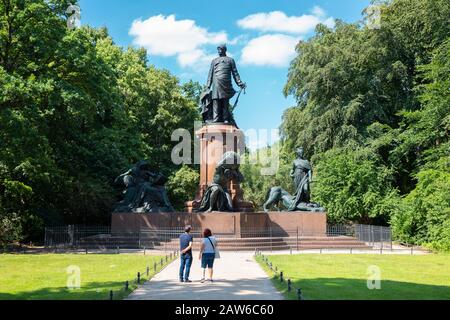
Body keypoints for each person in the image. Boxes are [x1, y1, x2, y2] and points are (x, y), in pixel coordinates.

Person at [205, 44, 246, 124]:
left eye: (220, 49)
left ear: (224, 50)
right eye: (218, 50)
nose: (218, 51)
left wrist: (240, 83)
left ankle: (226, 119)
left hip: (226, 82)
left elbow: (235, 73)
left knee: (225, 101)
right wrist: (208, 85)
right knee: (215, 100)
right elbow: (210, 74)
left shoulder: (230, 60)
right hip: (216, 82)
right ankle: (215, 118)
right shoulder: (214, 61)